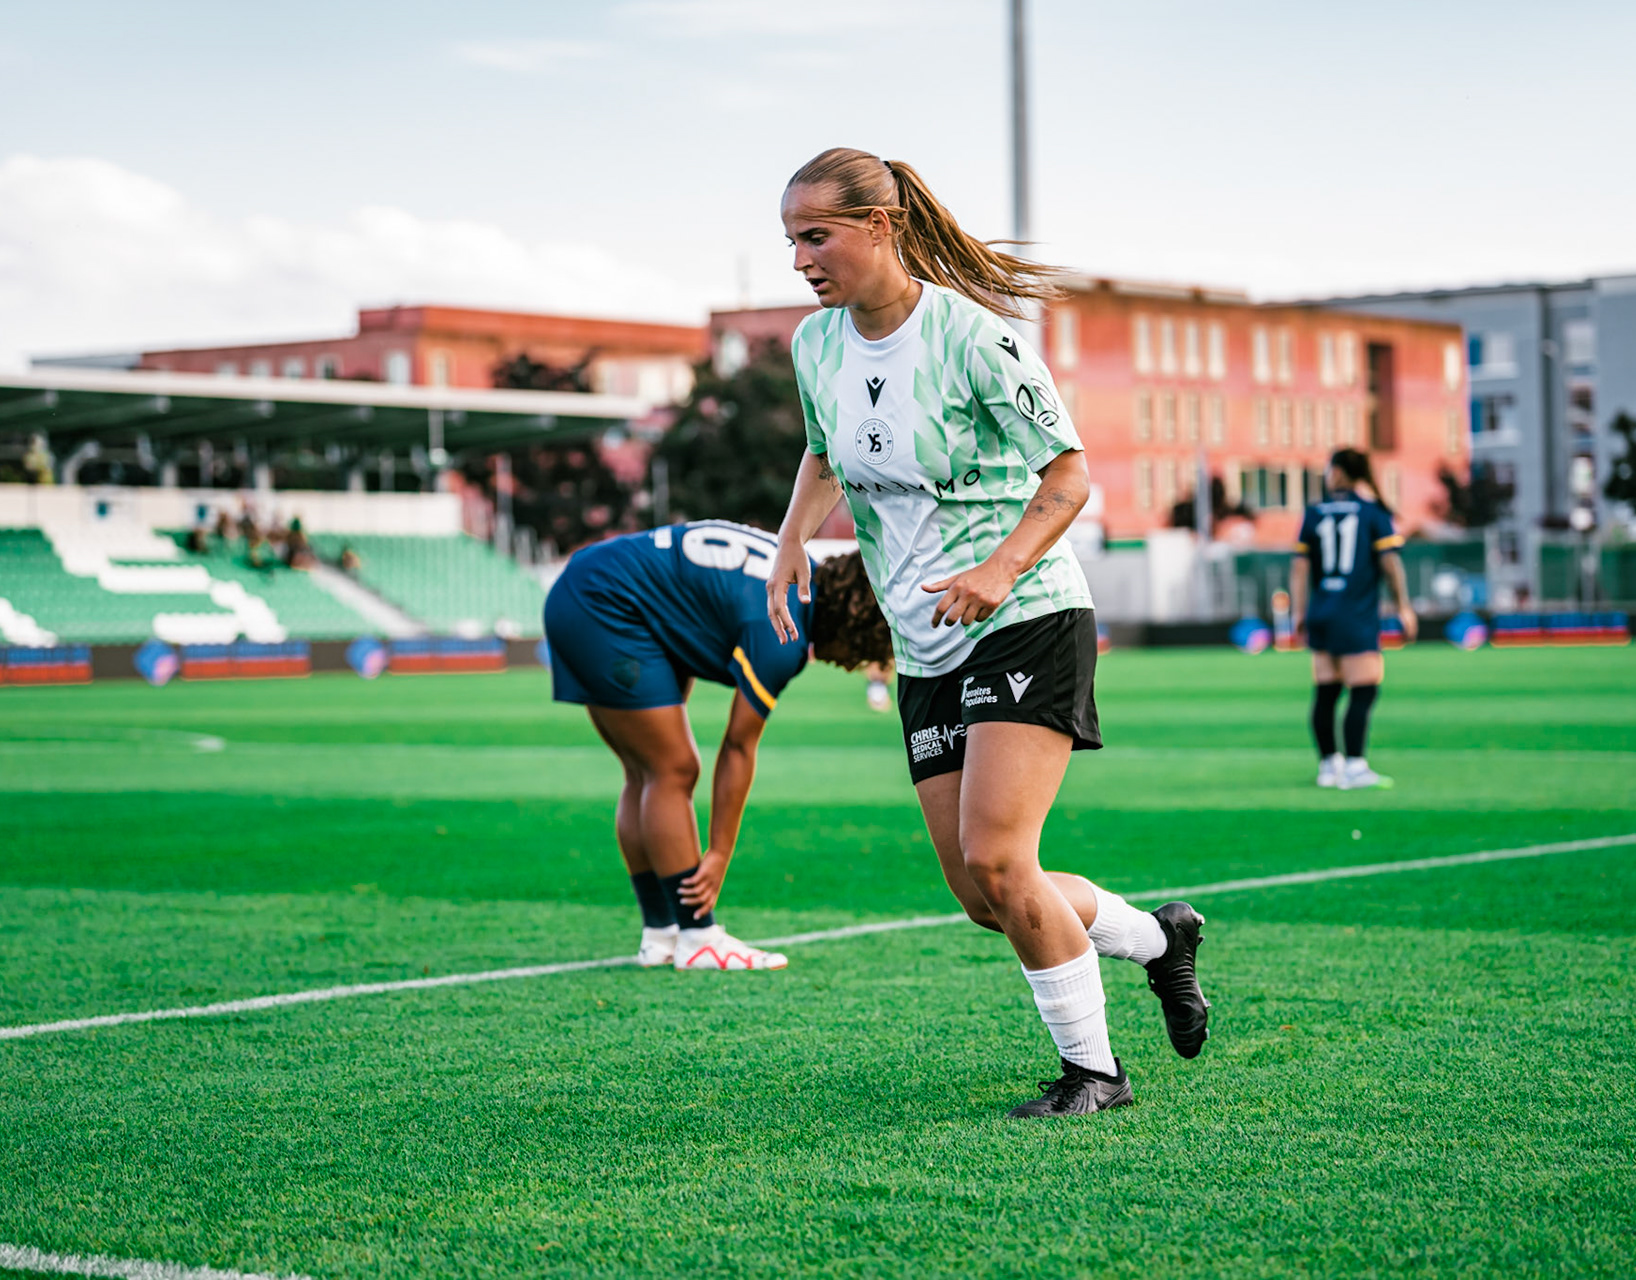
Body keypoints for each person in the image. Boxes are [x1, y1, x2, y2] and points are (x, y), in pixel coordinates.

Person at [766, 147, 1210, 1120]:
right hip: (924, 637)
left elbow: (1068, 478)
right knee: (982, 888)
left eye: (816, 235)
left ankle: (1096, 1073)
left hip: (1027, 611)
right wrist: (792, 540)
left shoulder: (974, 340)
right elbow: (818, 449)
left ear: (878, 226)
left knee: (1003, 856)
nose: (801, 258)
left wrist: (995, 570)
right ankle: (1157, 937)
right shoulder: (817, 346)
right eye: (791, 238)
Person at [547, 519, 893, 970]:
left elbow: (686, 595)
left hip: (592, 586)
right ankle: (698, 937)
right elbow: (737, 747)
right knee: (673, 769)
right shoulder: (784, 624)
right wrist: (719, 853)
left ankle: (662, 934)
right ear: (857, 627)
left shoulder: (792, 569)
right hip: (606, 605)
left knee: (646, 772)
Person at [1290, 448, 1418, 789]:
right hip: (1355, 613)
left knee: (1326, 693)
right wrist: (1404, 606)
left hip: (1321, 612)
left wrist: (1299, 611)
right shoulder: (1373, 512)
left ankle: (1328, 766)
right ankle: (1356, 765)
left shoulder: (1314, 512)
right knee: (1364, 690)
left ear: (1340, 472)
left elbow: (1300, 567)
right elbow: (1390, 563)